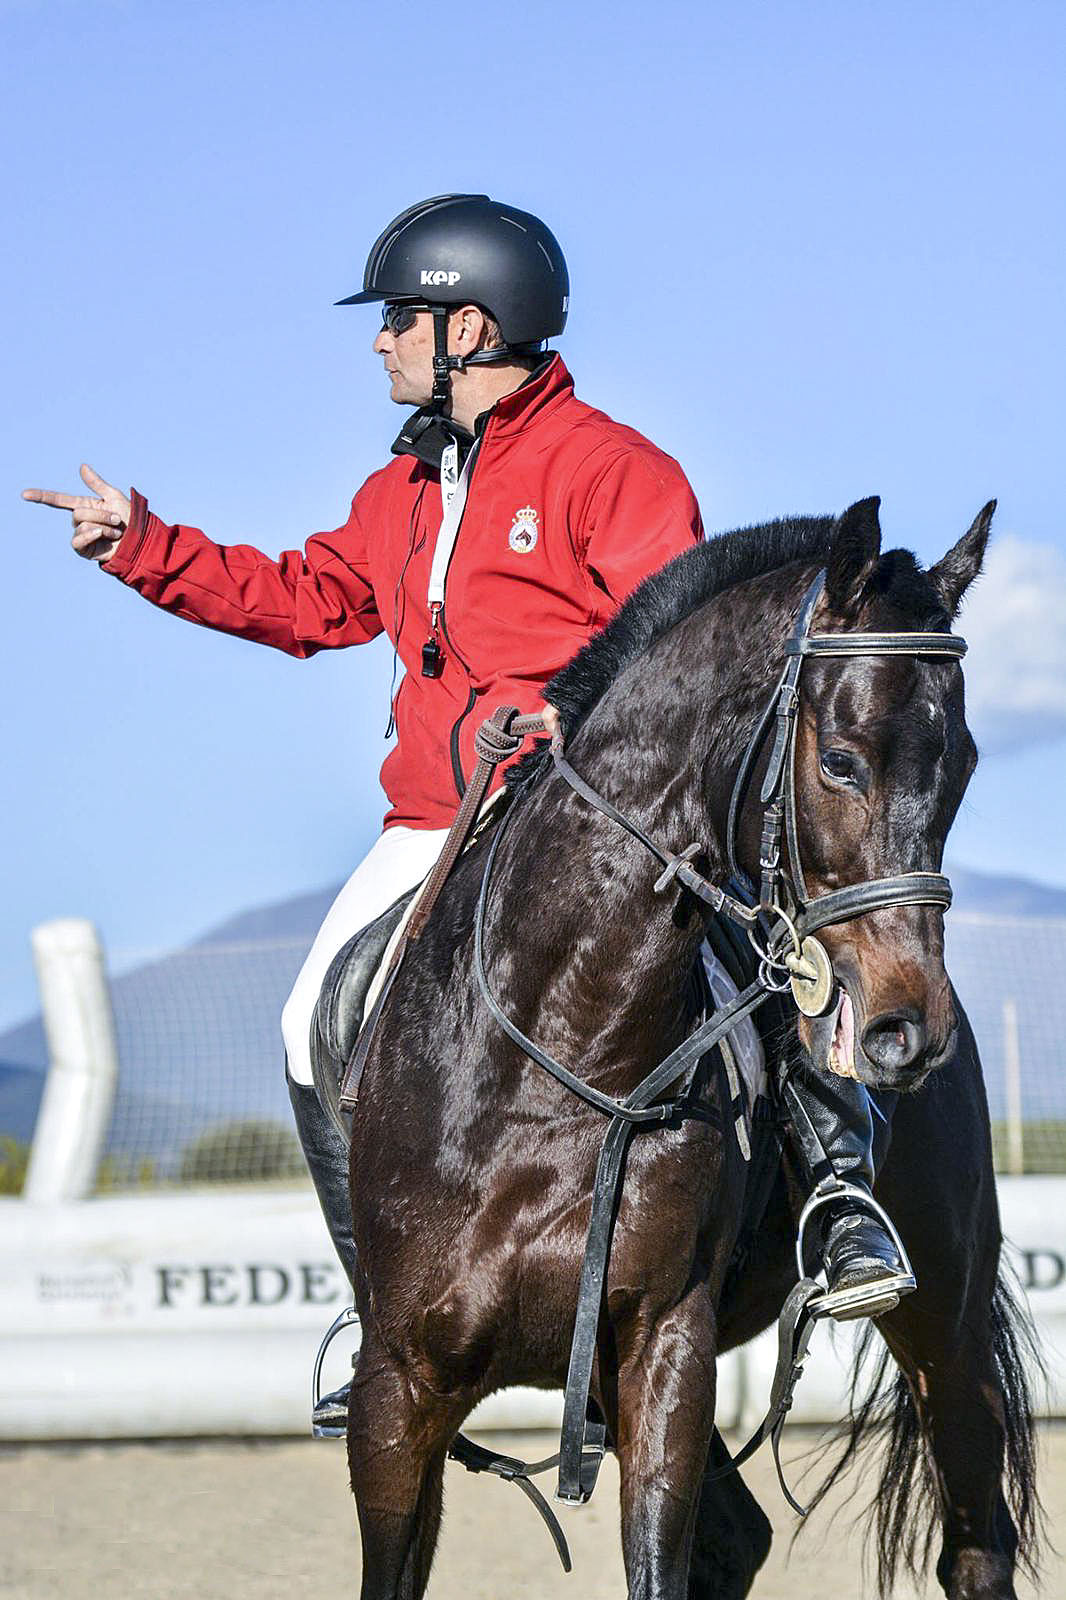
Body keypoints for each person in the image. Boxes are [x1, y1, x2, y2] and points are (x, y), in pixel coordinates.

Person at [24, 193, 911, 1433]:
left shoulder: (617, 468)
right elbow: (305, 598)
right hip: (435, 820)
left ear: (471, 327)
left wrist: (569, 714)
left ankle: (835, 1193)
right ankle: (381, 1307)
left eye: (399, 318)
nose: (379, 342)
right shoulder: (403, 486)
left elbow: (673, 646)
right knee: (302, 1025)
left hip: (604, 822)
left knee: (767, 962)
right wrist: (144, 544)